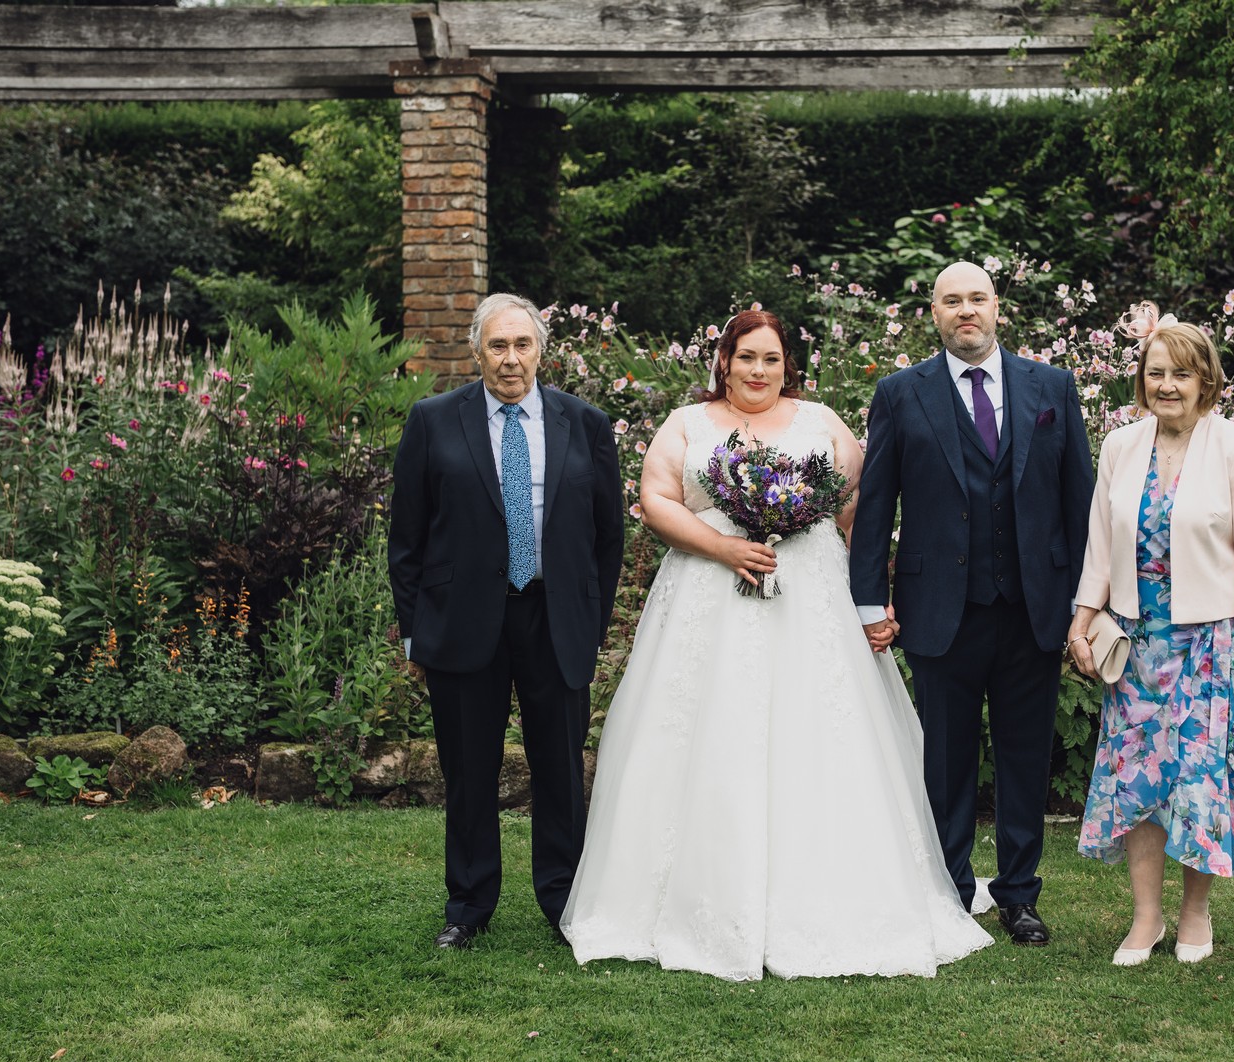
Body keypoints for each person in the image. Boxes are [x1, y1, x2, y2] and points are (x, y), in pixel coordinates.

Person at [560, 309, 992, 981]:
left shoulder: (820, 421)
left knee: (820, 737)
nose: (758, 369)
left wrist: (873, 601)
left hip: (810, 600)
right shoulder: (687, 423)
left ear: (788, 363)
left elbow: (859, 508)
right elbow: (656, 499)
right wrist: (725, 545)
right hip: (707, 596)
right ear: (723, 362)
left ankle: (830, 896)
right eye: (745, 357)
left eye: (770, 358)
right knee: (702, 738)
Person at [848, 262, 1095, 946]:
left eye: (977, 299)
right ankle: (949, 889)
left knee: (1024, 758)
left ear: (997, 309)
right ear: (932, 312)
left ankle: (1019, 895)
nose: (966, 311)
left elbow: (1082, 502)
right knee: (946, 759)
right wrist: (870, 600)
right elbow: (875, 507)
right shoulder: (901, 393)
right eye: (952, 300)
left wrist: (1088, 602)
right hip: (937, 606)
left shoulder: (1052, 388)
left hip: (1033, 606)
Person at [389, 292, 625, 949]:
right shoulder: (434, 421)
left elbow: (609, 538)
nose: (511, 358)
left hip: (555, 620)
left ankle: (564, 904)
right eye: (498, 345)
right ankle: (467, 906)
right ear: (477, 350)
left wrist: (592, 619)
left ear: (541, 350)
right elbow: (405, 539)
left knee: (560, 770)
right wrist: (415, 630)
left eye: (523, 345)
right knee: (469, 770)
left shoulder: (585, 423)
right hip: (464, 625)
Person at [1068, 304, 1234, 967]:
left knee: (1198, 782)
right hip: (1136, 642)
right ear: (1142, 380)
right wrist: (1082, 617)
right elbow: (1101, 545)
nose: (1167, 385)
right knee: (1137, 780)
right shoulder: (1121, 446)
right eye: (1156, 372)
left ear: (1205, 382)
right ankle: (1145, 918)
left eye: (1181, 375)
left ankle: (1195, 911)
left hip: (1209, 643)